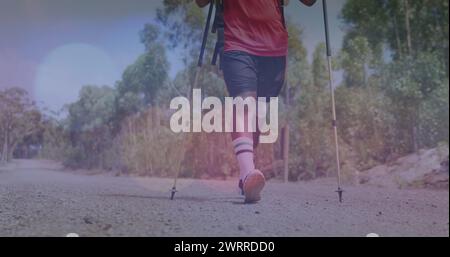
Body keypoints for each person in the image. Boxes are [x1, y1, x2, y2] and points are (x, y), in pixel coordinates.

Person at [195, 0, 317, 203]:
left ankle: (246, 175)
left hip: (274, 47)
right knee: (244, 104)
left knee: (256, 120)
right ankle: (248, 172)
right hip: (236, 41)